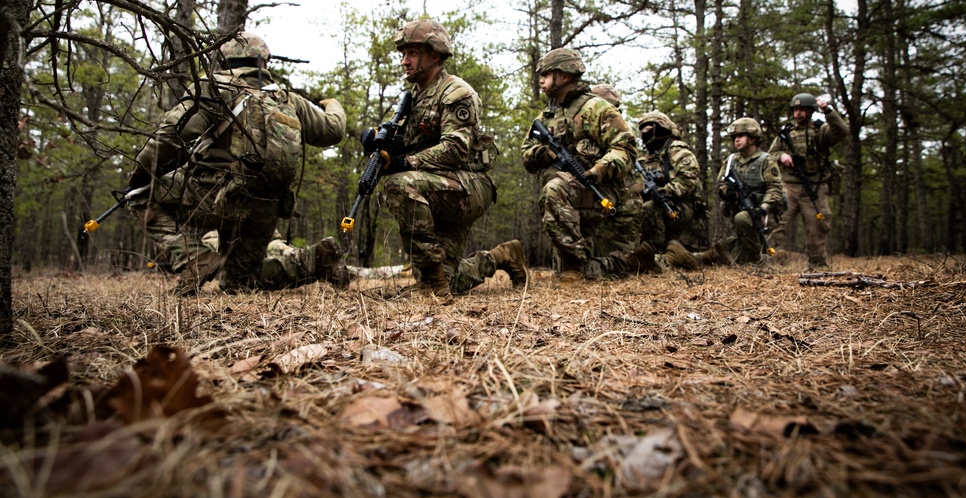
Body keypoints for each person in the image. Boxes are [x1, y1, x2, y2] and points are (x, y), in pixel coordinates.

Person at [128, 32, 349, 294]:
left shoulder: (216, 87)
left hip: (219, 199)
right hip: (265, 210)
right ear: (264, 64)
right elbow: (333, 130)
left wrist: (140, 176)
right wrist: (334, 104)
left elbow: (170, 135)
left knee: (140, 195)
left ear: (225, 61)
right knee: (241, 283)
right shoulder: (288, 99)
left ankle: (193, 258)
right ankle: (315, 260)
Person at [378, 18, 528, 297]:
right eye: (403, 54)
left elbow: (455, 149)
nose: (404, 61)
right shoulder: (414, 97)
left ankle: (434, 281)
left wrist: (405, 163)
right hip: (437, 185)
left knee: (399, 184)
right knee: (451, 280)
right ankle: (502, 256)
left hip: (468, 185)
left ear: (434, 55)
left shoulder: (455, 92)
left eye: (412, 53)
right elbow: (411, 146)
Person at [519, 48, 651, 283]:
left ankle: (577, 265)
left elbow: (626, 148)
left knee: (554, 192)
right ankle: (577, 266)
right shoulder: (545, 117)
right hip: (567, 200)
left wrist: (599, 169)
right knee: (576, 269)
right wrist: (541, 153)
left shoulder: (596, 109)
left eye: (547, 74)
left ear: (565, 76)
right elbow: (526, 153)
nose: (541, 79)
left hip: (599, 192)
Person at [667, 118, 785, 269]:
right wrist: (727, 192)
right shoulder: (732, 160)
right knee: (730, 246)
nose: (736, 140)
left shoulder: (765, 160)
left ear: (753, 138)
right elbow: (721, 182)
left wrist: (764, 208)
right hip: (740, 210)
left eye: (741, 136)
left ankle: (756, 259)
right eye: (734, 137)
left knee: (744, 225)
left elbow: (775, 187)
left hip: (763, 213)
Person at [766, 93, 848, 269]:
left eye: (802, 109)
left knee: (817, 227)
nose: (798, 113)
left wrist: (828, 111)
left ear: (811, 111)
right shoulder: (785, 133)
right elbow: (770, 155)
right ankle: (773, 261)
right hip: (789, 186)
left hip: (815, 187)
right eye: (796, 110)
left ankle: (817, 265)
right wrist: (782, 156)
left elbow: (842, 131)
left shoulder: (821, 130)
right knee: (778, 222)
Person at [635, 111, 708, 252]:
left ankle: (653, 251)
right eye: (642, 130)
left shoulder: (677, 150)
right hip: (655, 203)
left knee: (649, 208)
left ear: (660, 128)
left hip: (681, 205)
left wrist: (668, 190)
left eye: (648, 129)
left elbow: (690, 179)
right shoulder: (643, 157)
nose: (644, 132)